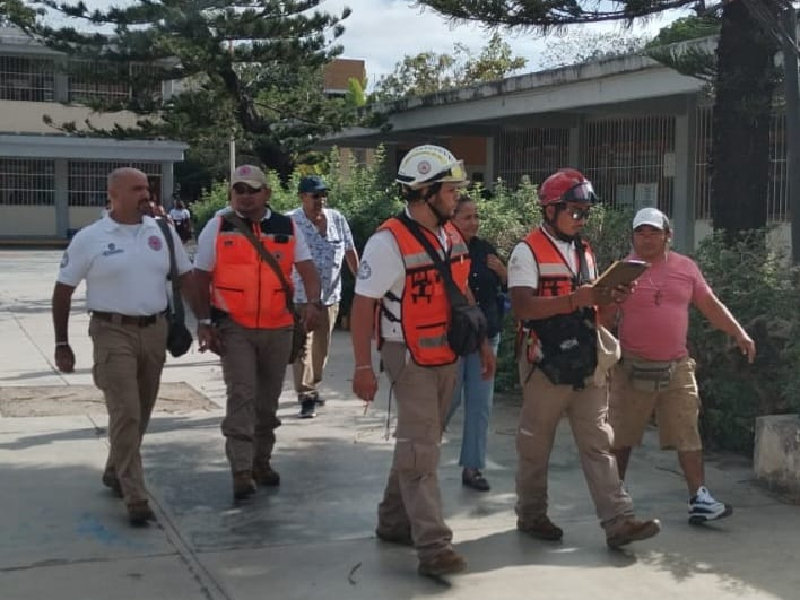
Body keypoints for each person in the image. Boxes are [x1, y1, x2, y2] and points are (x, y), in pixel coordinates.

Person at [351, 145, 496, 577]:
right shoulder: (386, 243)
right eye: (451, 190)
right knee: (422, 446)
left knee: (420, 441)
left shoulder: (450, 236)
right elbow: (362, 307)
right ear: (427, 190)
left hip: (447, 351)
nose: (458, 197)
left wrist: (483, 343)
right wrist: (362, 367)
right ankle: (433, 546)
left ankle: (393, 521)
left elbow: (461, 294)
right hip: (407, 353)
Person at [508, 168, 661, 549]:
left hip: (586, 357)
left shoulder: (585, 251)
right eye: (574, 211)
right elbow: (523, 307)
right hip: (544, 361)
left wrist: (610, 297)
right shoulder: (526, 251)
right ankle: (532, 515)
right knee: (535, 444)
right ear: (550, 209)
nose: (581, 218)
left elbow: (596, 308)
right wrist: (576, 299)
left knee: (598, 442)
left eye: (584, 212)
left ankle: (619, 521)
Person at [52, 167, 196, 527]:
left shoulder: (162, 231)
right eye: (136, 189)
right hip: (111, 331)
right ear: (113, 195)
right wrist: (62, 343)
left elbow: (186, 277)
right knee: (126, 410)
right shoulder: (91, 237)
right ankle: (135, 495)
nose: (145, 194)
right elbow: (63, 290)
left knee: (142, 409)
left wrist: (207, 321)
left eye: (147, 188)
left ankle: (115, 468)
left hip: (154, 331)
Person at [607, 207, 755, 524]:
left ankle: (699, 498)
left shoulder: (685, 268)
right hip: (631, 366)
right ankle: (614, 499)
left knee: (688, 432)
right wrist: (612, 300)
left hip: (676, 365)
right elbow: (602, 319)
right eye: (640, 232)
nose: (646, 239)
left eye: (653, 232)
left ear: (667, 236)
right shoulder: (622, 271)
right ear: (632, 236)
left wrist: (738, 332)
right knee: (621, 436)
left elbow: (710, 305)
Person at [193, 165, 322, 500]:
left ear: (266, 193)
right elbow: (199, 277)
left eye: (252, 189)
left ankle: (261, 462)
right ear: (231, 194)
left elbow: (308, 270)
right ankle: (240, 470)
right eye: (239, 190)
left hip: (278, 327)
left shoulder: (288, 226)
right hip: (235, 327)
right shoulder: (218, 226)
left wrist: (312, 303)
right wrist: (204, 321)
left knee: (267, 402)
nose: (246, 196)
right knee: (242, 395)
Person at [444, 195, 506, 491]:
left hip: (488, 336)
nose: (474, 222)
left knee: (480, 405)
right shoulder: (446, 250)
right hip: (456, 339)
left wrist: (503, 272)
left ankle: (473, 467)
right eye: (466, 217)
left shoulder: (485, 250)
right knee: (448, 399)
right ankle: (421, 457)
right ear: (452, 218)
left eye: (476, 216)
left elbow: (507, 287)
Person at [289, 176, 359, 418]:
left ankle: (313, 383)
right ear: (302, 197)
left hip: (330, 296)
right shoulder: (291, 222)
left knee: (321, 349)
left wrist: (360, 281)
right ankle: (305, 394)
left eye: (322, 195)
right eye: (314, 195)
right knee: (303, 348)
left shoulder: (337, 219)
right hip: (300, 297)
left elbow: (349, 250)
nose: (320, 200)